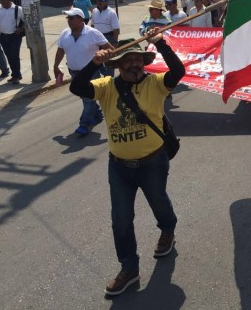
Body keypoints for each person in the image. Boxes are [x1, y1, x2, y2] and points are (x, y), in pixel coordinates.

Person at [69, 29, 185, 296]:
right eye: (127, 60)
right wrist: (94, 64)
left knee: (159, 202)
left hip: (153, 161)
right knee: (120, 220)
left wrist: (161, 44)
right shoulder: (106, 87)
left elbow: (177, 72)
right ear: (118, 65)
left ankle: (167, 230)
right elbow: (77, 87)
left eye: (137, 60)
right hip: (119, 166)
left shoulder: (156, 83)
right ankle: (129, 269)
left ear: (144, 62)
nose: (133, 64)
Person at [54, 8, 114, 135]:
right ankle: (97, 113)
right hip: (74, 72)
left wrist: (103, 56)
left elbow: (110, 49)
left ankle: (84, 124)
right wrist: (55, 66)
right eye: (68, 18)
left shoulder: (93, 33)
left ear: (81, 19)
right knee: (85, 96)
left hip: (91, 73)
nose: (69, 21)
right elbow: (60, 50)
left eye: (72, 18)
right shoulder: (65, 33)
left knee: (87, 98)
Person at [0, 0, 24, 84]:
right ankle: (16, 74)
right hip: (3, 36)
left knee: (14, 55)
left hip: (15, 36)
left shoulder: (17, 9)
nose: (2, 1)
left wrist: (20, 29)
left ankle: (16, 76)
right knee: (9, 56)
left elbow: (26, 21)